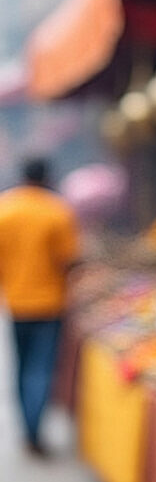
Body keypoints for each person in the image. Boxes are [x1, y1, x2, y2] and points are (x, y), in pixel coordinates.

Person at [0, 159, 79, 454]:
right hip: (49, 303)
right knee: (41, 369)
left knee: (21, 368)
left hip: (16, 302)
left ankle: (27, 428)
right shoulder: (55, 210)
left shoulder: (5, 208)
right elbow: (68, 259)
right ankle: (34, 429)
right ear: (46, 177)